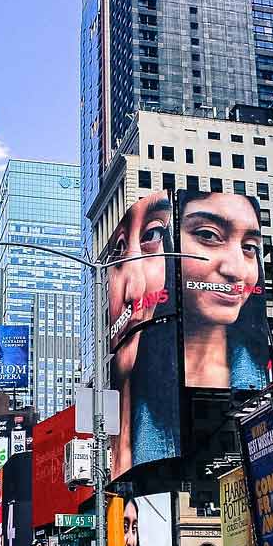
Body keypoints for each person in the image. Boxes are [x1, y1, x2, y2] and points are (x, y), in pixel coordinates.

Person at [105, 192, 179, 479]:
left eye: (153, 234)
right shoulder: (101, 446)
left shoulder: (163, 439)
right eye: (120, 248)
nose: (134, 290)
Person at [179, 191, 268, 390]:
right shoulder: (134, 382)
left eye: (249, 247)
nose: (237, 271)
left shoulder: (265, 375)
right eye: (208, 235)